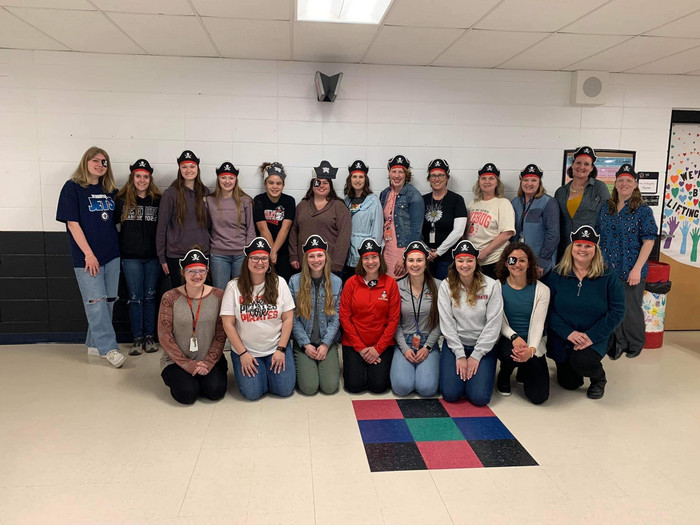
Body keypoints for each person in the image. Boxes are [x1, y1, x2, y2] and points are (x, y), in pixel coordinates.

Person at [56, 146, 124, 368]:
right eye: (95, 160)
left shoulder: (110, 190)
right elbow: (72, 224)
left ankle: (95, 344)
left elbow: (114, 221)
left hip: (112, 254)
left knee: (109, 302)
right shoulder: (72, 188)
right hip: (87, 257)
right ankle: (109, 349)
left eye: (104, 162)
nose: (100, 165)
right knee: (95, 303)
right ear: (85, 162)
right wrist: (88, 254)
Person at [544, 226, 625, 400]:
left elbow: (618, 310)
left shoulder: (608, 276)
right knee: (569, 384)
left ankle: (599, 379)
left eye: (588, 246)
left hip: (595, 335)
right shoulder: (557, 274)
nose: (582, 249)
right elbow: (548, 309)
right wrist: (569, 333)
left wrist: (591, 336)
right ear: (571, 248)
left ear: (595, 250)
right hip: (564, 335)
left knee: (583, 362)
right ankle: (572, 363)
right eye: (578, 245)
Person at [220, 237, 296, 400]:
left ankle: (268, 371)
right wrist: (243, 354)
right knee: (252, 393)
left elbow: (288, 318)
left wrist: (281, 349)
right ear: (247, 260)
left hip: (275, 348)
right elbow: (228, 323)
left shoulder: (279, 283)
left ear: (269, 261)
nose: (259, 262)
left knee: (285, 390)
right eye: (255, 257)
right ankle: (262, 373)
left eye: (264, 258)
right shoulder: (233, 287)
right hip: (247, 351)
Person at [596, 164, 657, 359]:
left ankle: (635, 342)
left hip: (632, 268)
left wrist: (637, 269)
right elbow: (598, 236)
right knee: (614, 307)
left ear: (635, 185)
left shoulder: (643, 210)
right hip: (608, 269)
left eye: (628, 181)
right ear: (615, 184)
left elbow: (649, 240)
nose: (624, 184)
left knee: (630, 308)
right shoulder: (606, 207)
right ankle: (619, 342)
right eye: (620, 180)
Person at [157, 249, 227, 404]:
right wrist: (188, 364)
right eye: (191, 271)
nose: (197, 276)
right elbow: (164, 335)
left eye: (201, 270)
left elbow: (222, 333)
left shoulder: (219, 295)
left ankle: (202, 376)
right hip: (176, 361)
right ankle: (190, 379)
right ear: (183, 272)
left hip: (209, 358)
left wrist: (208, 362)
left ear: (207, 271)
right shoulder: (170, 297)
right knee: (187, 394)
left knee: (215, 391)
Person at [438, 240, 503, 406]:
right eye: (460, 260)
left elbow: (494, 324)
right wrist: (460, 354)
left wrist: (476, 355)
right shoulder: (446, 286)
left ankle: (474, 378)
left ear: (476, 261)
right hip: (455, 344)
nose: (465, 265)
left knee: (479, 398)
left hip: (482, 346)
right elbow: (447, 323)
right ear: (455, 262)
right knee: (451, 394)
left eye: (469, 260)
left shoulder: (491, 285)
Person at [340, 238, 400, 393]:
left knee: (378, 387)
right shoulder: (351, 283)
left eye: (374, 257)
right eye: (366, 258)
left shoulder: (391, 284)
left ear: (380, 259)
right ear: (361, 261)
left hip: (381, 344)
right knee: (354, 386)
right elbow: (345, 317)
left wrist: (378, 349)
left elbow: (394, 320)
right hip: (354, 344)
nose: (370, 262)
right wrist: (360, 348)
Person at [114, 158, 162, 355]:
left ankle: (149, 336)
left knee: (150, 297)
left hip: (152, 257)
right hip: (130, 257)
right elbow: (111, 227)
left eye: (145, 176)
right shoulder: (122, 200)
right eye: (138, 176)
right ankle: (137, 338)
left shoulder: (158, 200)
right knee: (135, 298)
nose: (142, 180)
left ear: (150, 179)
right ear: (132, 177)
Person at [494, 243, 550, 404]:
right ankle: (505, 373)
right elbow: (500, 321)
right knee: (509, 354)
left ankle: (524, 368)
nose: (517, 264)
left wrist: (531, 350)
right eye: (512, 260)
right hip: (508, 338)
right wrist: (514, 337)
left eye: (522, 260)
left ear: (529, 263)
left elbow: (538, 323)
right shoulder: (497, 287)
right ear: (505, 262)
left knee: (539, 397)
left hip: (533, 341)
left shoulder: (542, 290)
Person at [288, 235, 342, 395]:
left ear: (326, 257)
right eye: (311, 256)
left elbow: (336, 317)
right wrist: (305, 344)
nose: (316, 260)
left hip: (327, 341)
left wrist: (325, 344)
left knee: (330, 387)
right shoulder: (294, 281)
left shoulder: (337, 282)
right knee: (309, 388)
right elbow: (293, 317)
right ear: (306, 259)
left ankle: (328, 354)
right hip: (304, 342)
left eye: (320, 255)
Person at [390, 241, 441, 397]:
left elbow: (441, 322)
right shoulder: (396, 286)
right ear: (405, 263)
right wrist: (404, 348)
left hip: (428, 343)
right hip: (403, 341)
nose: (415, 264)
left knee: (427, 389)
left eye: (419, 260)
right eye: (411, 260)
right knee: (402, 388)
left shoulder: (438, 286)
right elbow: (394, 322)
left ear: (426, 263)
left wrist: (428, 347)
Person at [156, 150, 210, 288]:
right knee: (180, 295)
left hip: (201, 253)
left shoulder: (205, 192)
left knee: (200, 296)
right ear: (179, 169)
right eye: (184, 167)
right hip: (177, 255)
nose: (188, 170)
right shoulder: (171, 194)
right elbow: (162, 227)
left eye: (192, 166)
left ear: (197, 168)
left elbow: (210, 225)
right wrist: (162, 258)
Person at [289, 160, 351, 278]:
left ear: (330, 186)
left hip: (330, 264)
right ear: (312, 186)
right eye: (318, 182)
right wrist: (293, 256)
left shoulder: (339, 206)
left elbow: (344, 236)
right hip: (305, 263)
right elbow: (293, 232)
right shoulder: (302, 206)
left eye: (325, 183)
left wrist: (337, 263)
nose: (321, 186)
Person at [206, 161, 255, 290]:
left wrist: (249, 253)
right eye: (223, 177)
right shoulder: (209, 201)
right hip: (218, 255)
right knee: (221, 292)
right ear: (218, 179)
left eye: (231, 178)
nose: (227, 181)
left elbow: (251, 229)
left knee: (240, 292)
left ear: (236, 180)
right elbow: (206, 228)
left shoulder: (245, 201)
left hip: (240, 254)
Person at [554, 146, 610, 258]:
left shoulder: (599, 188)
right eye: (578, 163)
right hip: (565, 249)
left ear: (591, 168)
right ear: (572, 165)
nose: (581, 167)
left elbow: (608, 217)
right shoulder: (560, 192)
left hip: (588, 248)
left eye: (586, 164)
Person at [466, 163, 515, 279]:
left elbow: (507, 233)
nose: (487, 181)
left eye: (491, 178)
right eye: (483, 178)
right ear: (479, 182)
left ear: (497, 182)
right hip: (473, 260)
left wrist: (485, 252)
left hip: (494, 260)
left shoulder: (503, 203)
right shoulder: (473, 203)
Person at [380, 155, 425, 279]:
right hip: (386, 249)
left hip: (401, 249)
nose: (397, 175)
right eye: (394, 171)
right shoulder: (385, 194)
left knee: (400, 283)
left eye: (401, 172)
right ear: (389, 173)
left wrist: (405, 255)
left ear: (406, 175)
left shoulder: (414, 196)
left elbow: (416, 230)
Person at [422, 159, 468, 280]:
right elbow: (416, 228)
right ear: (428, 178)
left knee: (446, 291)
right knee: (428, 292)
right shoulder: (422, 200)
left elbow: (458, 231)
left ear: (447, 177)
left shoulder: (457, 200)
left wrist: (438, 252)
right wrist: (427, 250)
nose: (437, 179)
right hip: (426, 256)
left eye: (441, 175)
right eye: (433, 175)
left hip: (448, 257)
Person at [511, 164, 559, 277]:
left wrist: (541, 262)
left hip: (539, 260)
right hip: (518, 259)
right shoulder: (515, 202)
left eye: (534, 180)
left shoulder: (548, 202)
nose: (529, 183)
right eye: (525, 180)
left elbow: (553, 234)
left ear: (539, 183)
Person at [253, 162, 295, 282]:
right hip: (263, 251)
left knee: (282, 284)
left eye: (278, 183)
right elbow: (263, 229)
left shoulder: (289, 201)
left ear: (283, 184)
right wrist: (270, 252)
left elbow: (285, 228)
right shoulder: (259, 200)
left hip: (283, 251)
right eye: (271, 183)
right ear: (265, 183)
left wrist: (274, 252)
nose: (275, 186)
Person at [343, 160, 383, 282]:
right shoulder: (346, 201)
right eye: (354, 177)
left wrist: (372, 254)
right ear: (350, 179)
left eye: (361, 177)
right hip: (347, 251)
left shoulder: (373, 201)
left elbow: (377, 229)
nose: (358, 180)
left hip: (364, 251)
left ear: (366, 179)